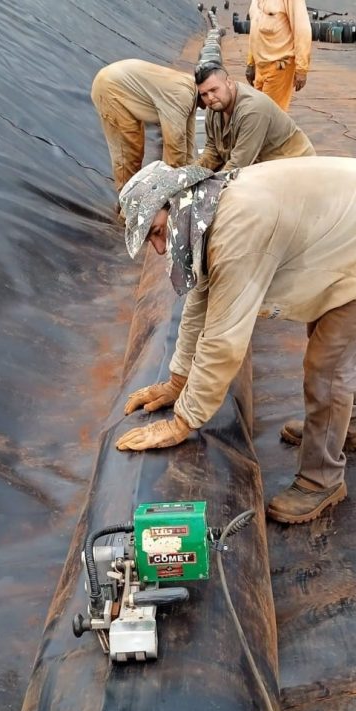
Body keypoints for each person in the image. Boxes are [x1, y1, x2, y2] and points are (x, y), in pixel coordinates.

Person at [115, 158, 356, 525]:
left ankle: (321, 480)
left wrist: (183, 421)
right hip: (340, 237)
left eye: (157, 232)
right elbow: (202, 298)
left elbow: (224, 339)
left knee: (328, 367)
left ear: (175, 202)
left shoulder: (237, 229)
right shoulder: (208, 209)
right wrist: (178, 381)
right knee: (328, 342)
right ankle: (345, 428)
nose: (160, 249)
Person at [91, 60, 197, 193]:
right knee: (128, 152)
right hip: (110, 87)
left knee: (137, 149)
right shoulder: (181, 95)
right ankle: (127, 204)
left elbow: (189, 142)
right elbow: (175, 148)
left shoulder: (192, 90)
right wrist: (172, 191)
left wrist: (194, 175)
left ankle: (131, 197)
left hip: (121, 81)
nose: (212, 99)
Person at [194, 63, 314, 170]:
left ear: (229, 83)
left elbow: (238, 165)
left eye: (214, 90)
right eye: (204, 94)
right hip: (262, 165)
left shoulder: (252, 110)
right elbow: (213, 151)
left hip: (294, 167)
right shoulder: (215, 106)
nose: (210, 98)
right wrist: (191, 173)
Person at [245, 0, 311, 111]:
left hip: (279, 65)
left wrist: (302, 69)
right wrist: (251, 63)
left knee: (269, 115)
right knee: (258, 113)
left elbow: (302, 29)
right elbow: (255, 28)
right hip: (260, 66)